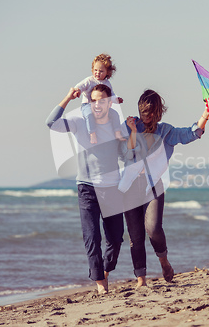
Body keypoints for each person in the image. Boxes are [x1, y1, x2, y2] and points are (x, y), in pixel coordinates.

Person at [122, 89, 209, 288]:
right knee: (135, 236)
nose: (145, 116)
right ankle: (141, 280)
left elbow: (190, 134)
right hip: (131, 187)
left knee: (153, 228)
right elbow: (126, 154)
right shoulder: (131, 126)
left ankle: (163, 261)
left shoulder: (166, 131)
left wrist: (205, 115)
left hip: (153, 185)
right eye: (143, 111)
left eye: (150, 112)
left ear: (158, 112)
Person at [46, 84, 125, 294]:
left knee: (116, 238)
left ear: (109, 102)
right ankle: (99, 282)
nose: (97, 104)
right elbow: (51, 123)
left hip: (112, 187)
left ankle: (106, 271)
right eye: (93, 100)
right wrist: (67, 97)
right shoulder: (80, 122)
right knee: (92, 238)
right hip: (87, 188)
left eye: (101, 100)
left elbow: (128, 149)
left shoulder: (117, 124)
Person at [74, 53, 124, 144]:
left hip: (102, 107)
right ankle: (92, 134)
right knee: (89, 115)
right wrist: (78, 91)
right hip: (88, 105)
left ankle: (117, 132)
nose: (97, 73)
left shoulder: (107, 83)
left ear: (107, 73)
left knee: (115, 114)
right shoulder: (89, 80)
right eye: (95, 70)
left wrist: (117, 100)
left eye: (101, 71)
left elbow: (111, 95)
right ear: (92, 69)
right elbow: (80, 86)